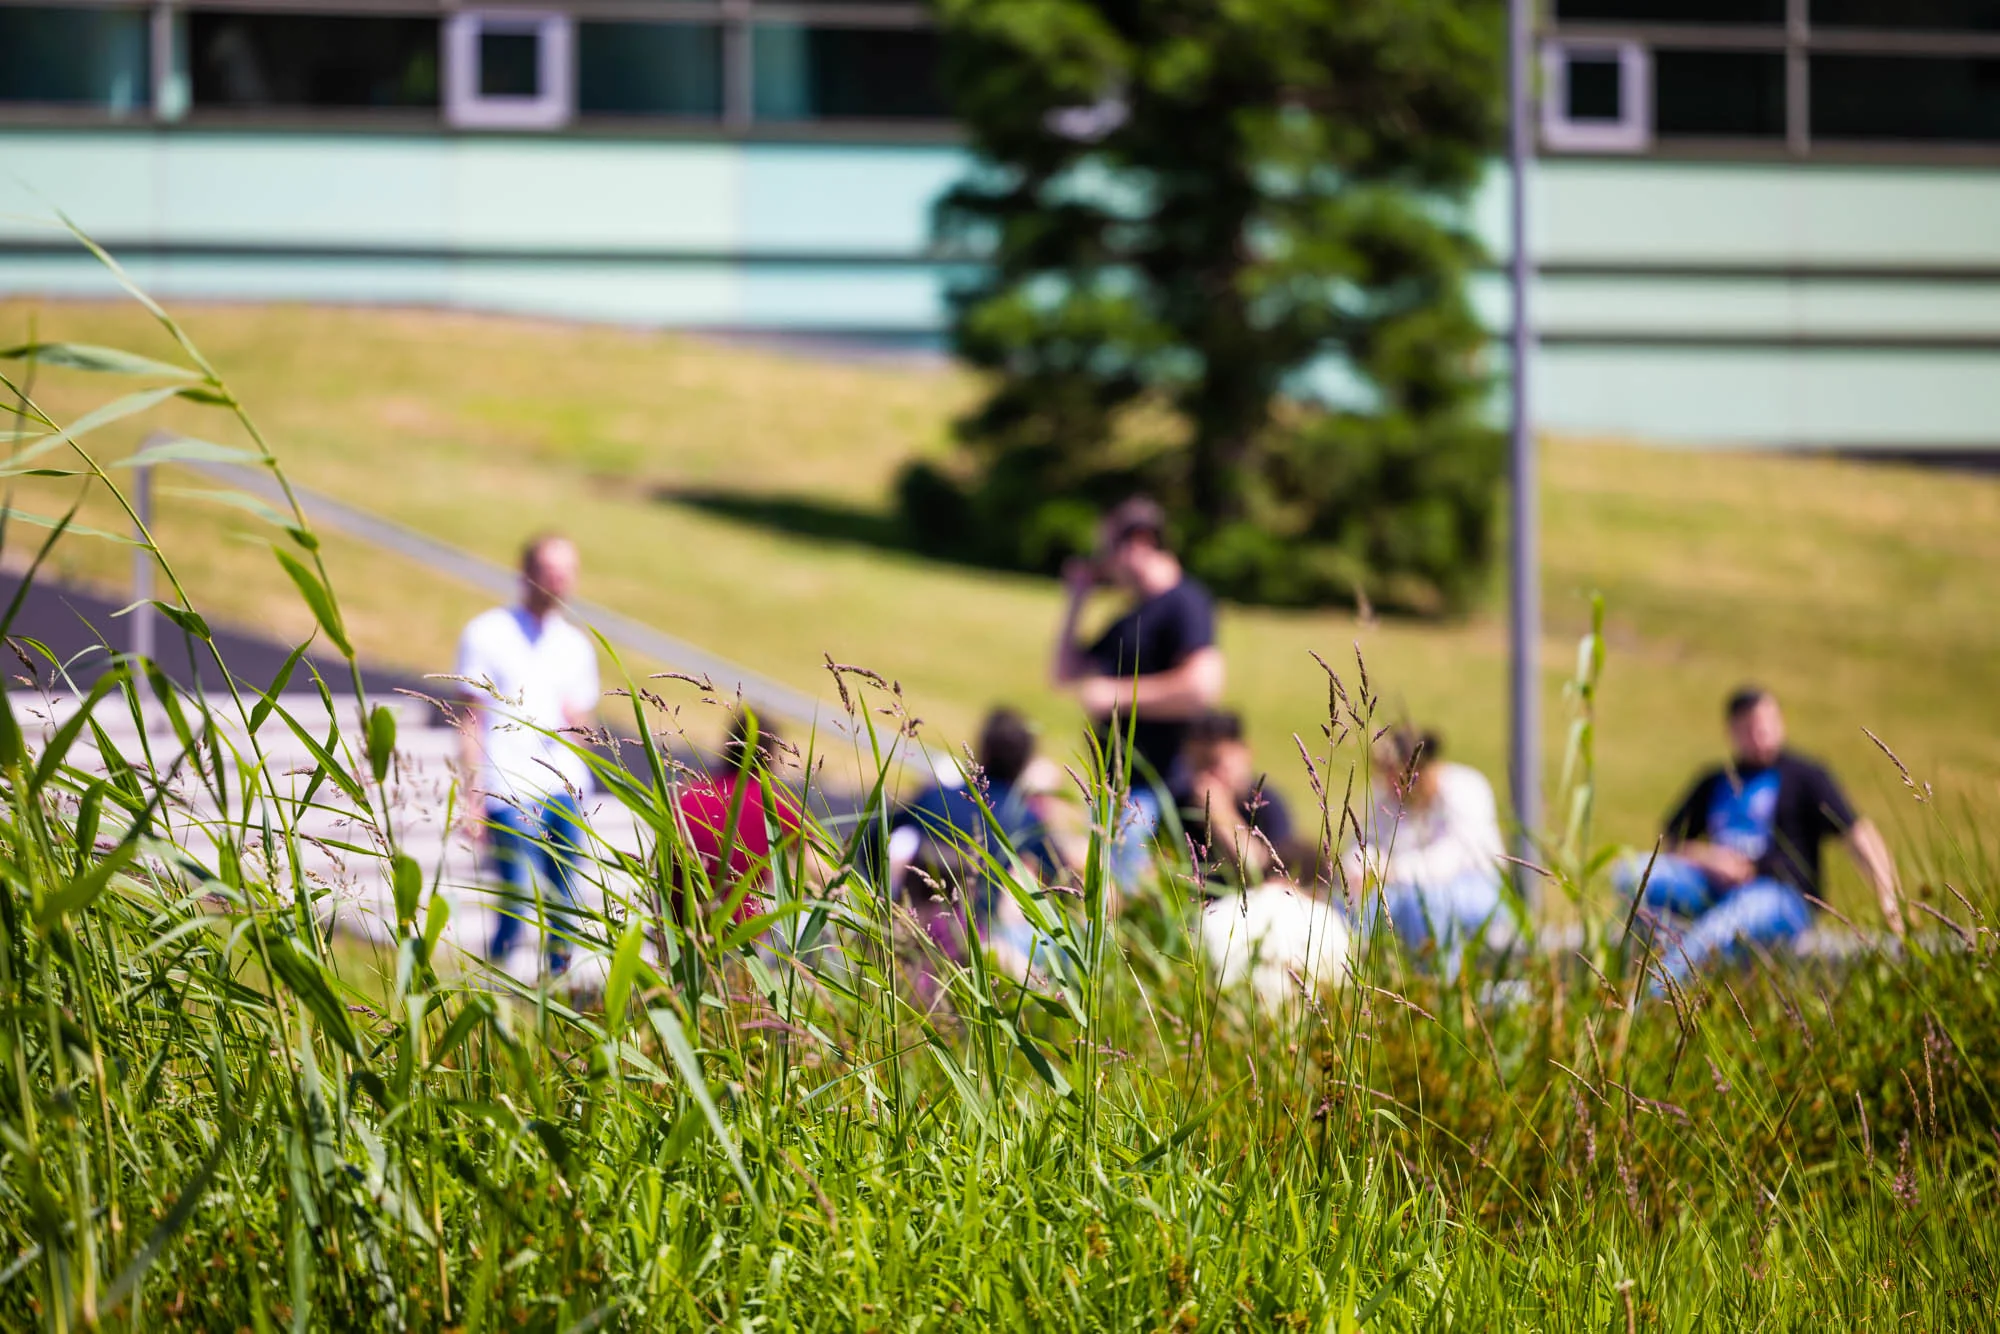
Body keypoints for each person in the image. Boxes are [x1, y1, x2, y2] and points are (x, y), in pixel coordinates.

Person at [1618, 686, 1904, 988]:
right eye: (1752, 727)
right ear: (1733, 731)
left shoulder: (1805, 776)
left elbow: (1858, 834)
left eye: (1769, 722)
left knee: (1722, 926)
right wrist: (1711, 859)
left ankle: (1652, 997)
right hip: (1715, 889)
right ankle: (1633, 970)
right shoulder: (1715, 779)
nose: (1763, 733)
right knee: (1630, 874)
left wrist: (1889, 900)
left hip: (1780, 895)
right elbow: (1670, 842)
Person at [1052, 497, 1224, 886]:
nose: (1105, 564)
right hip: (1118, 788)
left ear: (1140, 542)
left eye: (1107, 550)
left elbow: (1202, 687)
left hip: (1158, 786)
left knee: (1121, 894)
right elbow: (1064, 672)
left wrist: (1117, 695)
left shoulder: (1186, 603)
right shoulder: (1132, 616)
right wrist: (1077, 599)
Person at [455, 534, 600, 972]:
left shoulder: (575, 645)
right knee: (518, 897)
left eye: (566, 572)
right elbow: (470, 718)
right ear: (528, 573)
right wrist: (472, 792)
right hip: (508, 783)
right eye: (551, 571)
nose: (559, 582)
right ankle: (494, 985)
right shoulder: (487, 632)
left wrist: (581, 729)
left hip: (563, 785)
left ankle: (556, 992)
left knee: (566, 903)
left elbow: (584, 723)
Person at [1343, 726, 1505, 978]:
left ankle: (1440, 981)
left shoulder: (1465, 789)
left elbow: (1452, 859)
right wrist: (1360, 866)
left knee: (1425, 904)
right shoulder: (1385, 798)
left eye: (1394, 772)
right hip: (1404, 891)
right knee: (1360, 906)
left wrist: (1391, 869)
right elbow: (1365, 842)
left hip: (1478, 888)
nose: (1389, 781)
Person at [886, 707, 1062, 926]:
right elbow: (1060, 880)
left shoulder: (934, 798)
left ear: (983, 749)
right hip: (978, 936)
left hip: (911, 922)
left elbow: (875, 838)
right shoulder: (1024, 820)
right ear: (1025, 761)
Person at [671, 709, 805, 929]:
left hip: (680, 933)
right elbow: (823, 872)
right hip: (743, 942)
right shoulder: (775, 806)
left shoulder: (686, 797)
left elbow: (660, 865)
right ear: (770, 754)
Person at [1177, 709, 1293, 884]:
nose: (1206, 778)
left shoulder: (1268, 806)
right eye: (1198, 765)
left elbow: (1269, 875)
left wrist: (1221, 818)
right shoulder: (1179, 805)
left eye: (1214, 763)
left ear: (1245, 753)